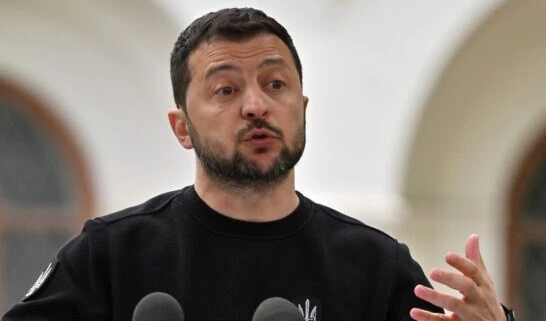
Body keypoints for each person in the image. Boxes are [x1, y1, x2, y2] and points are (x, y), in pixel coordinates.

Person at [2, 7, 514, 321]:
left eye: (275, 84)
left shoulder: (374, 267)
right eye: (226, 89)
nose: (256, 106)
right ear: (182, 128)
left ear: (303, 110)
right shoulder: (111, 255)